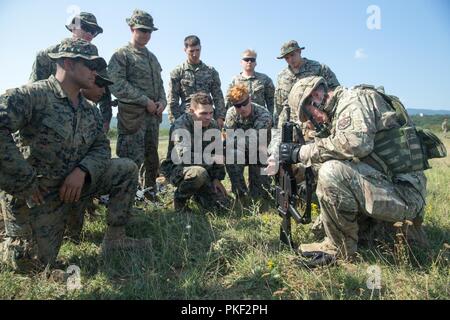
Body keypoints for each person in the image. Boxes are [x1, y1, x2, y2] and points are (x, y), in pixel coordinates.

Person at [0, 38, 150, 273]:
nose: (95, 72)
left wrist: (83, 171)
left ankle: (115, 239)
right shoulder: (33, 96)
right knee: (32, 265)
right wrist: (24, 180)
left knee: (126, 168)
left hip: (72, 187)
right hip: (37, 195)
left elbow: (101, 148)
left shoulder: (88, 110)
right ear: (68, 64)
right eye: (90, 66)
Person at [266, 76, 429, 262]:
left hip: (403, 195)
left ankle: (339, 249)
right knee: (321, 224)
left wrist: (301, 152)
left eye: (309, 114)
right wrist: (298, 172)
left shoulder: (353, 101)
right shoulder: (340, 112)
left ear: (316, 96)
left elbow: (356, 145)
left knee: (331, 172)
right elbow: (353, 161)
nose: (311, 122)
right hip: (390, 188)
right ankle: (395, 233)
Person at [108, 9, 166, 199]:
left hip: (153, 119)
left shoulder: (152, 58)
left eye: (149, 31)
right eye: (142, 30)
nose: (146, 35)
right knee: (130, 162)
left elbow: (160, 85)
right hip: (133, 118)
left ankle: (149, 196)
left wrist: (162, 102)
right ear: (132, 28)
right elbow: (116, 84)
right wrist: (145, 101)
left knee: (152, 161)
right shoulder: (121, 55)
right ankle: (125, 201)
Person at [162, 92, 228, 213]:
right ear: (192, 111)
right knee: (198, 173)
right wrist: (211, 158)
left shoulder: (213, 125)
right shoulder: (181, 125)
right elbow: (184, 157)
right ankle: (180, 201)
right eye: (203, 113)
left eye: (211, 113)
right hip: (178, 168)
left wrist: (216, 179)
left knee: (222, 208)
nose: (208, 117)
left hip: (205, 172)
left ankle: (198, 195)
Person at [224, 84, 272, 207]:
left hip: (261, 153)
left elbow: (254, 142)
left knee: (260, 196)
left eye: (245, 103)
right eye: (238, 106)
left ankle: (260, 194)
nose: (243, 108)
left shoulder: (263, 114)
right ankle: (241, 195)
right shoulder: (231, 114)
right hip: (241, 152)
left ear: (250, 99)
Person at [274, 40, 339, 126]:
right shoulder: (281, 76)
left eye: (292, 55)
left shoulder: (319, 68)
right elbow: (278, 104)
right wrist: (275, 124)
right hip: (289, 125)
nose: (290, 59)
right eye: (286, 58)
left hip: (315, 122)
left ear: (299, 51)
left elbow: (335, 92)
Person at [167, 35, 226, 128]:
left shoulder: (211, 72)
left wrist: (220, 117)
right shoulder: (178, 72)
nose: (195, 54)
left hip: (207, 116)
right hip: (185, 116)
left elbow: (218, 96)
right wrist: (175, 122)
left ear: (201, 48)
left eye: (197, 50)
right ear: (185, 50)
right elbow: (172, 100)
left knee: (212, 141)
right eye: (191, 51)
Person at [29, 12, 103, 83]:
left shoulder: (96, 60)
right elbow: (33, 89)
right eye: (86, 27)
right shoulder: (48, 55)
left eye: (93, 32)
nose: (89, 33)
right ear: (74, 27)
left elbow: (102, 90)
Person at [225, 49, 275, 115]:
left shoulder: (265, 79)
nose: (249, 62)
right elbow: (228, 101)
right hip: (240, 117)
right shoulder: (235, 80)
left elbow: (272, 102)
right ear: (241, 62)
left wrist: (272, 118)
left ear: (256, 63)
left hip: (260, 118)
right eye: (246, 59)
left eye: (252, 60)